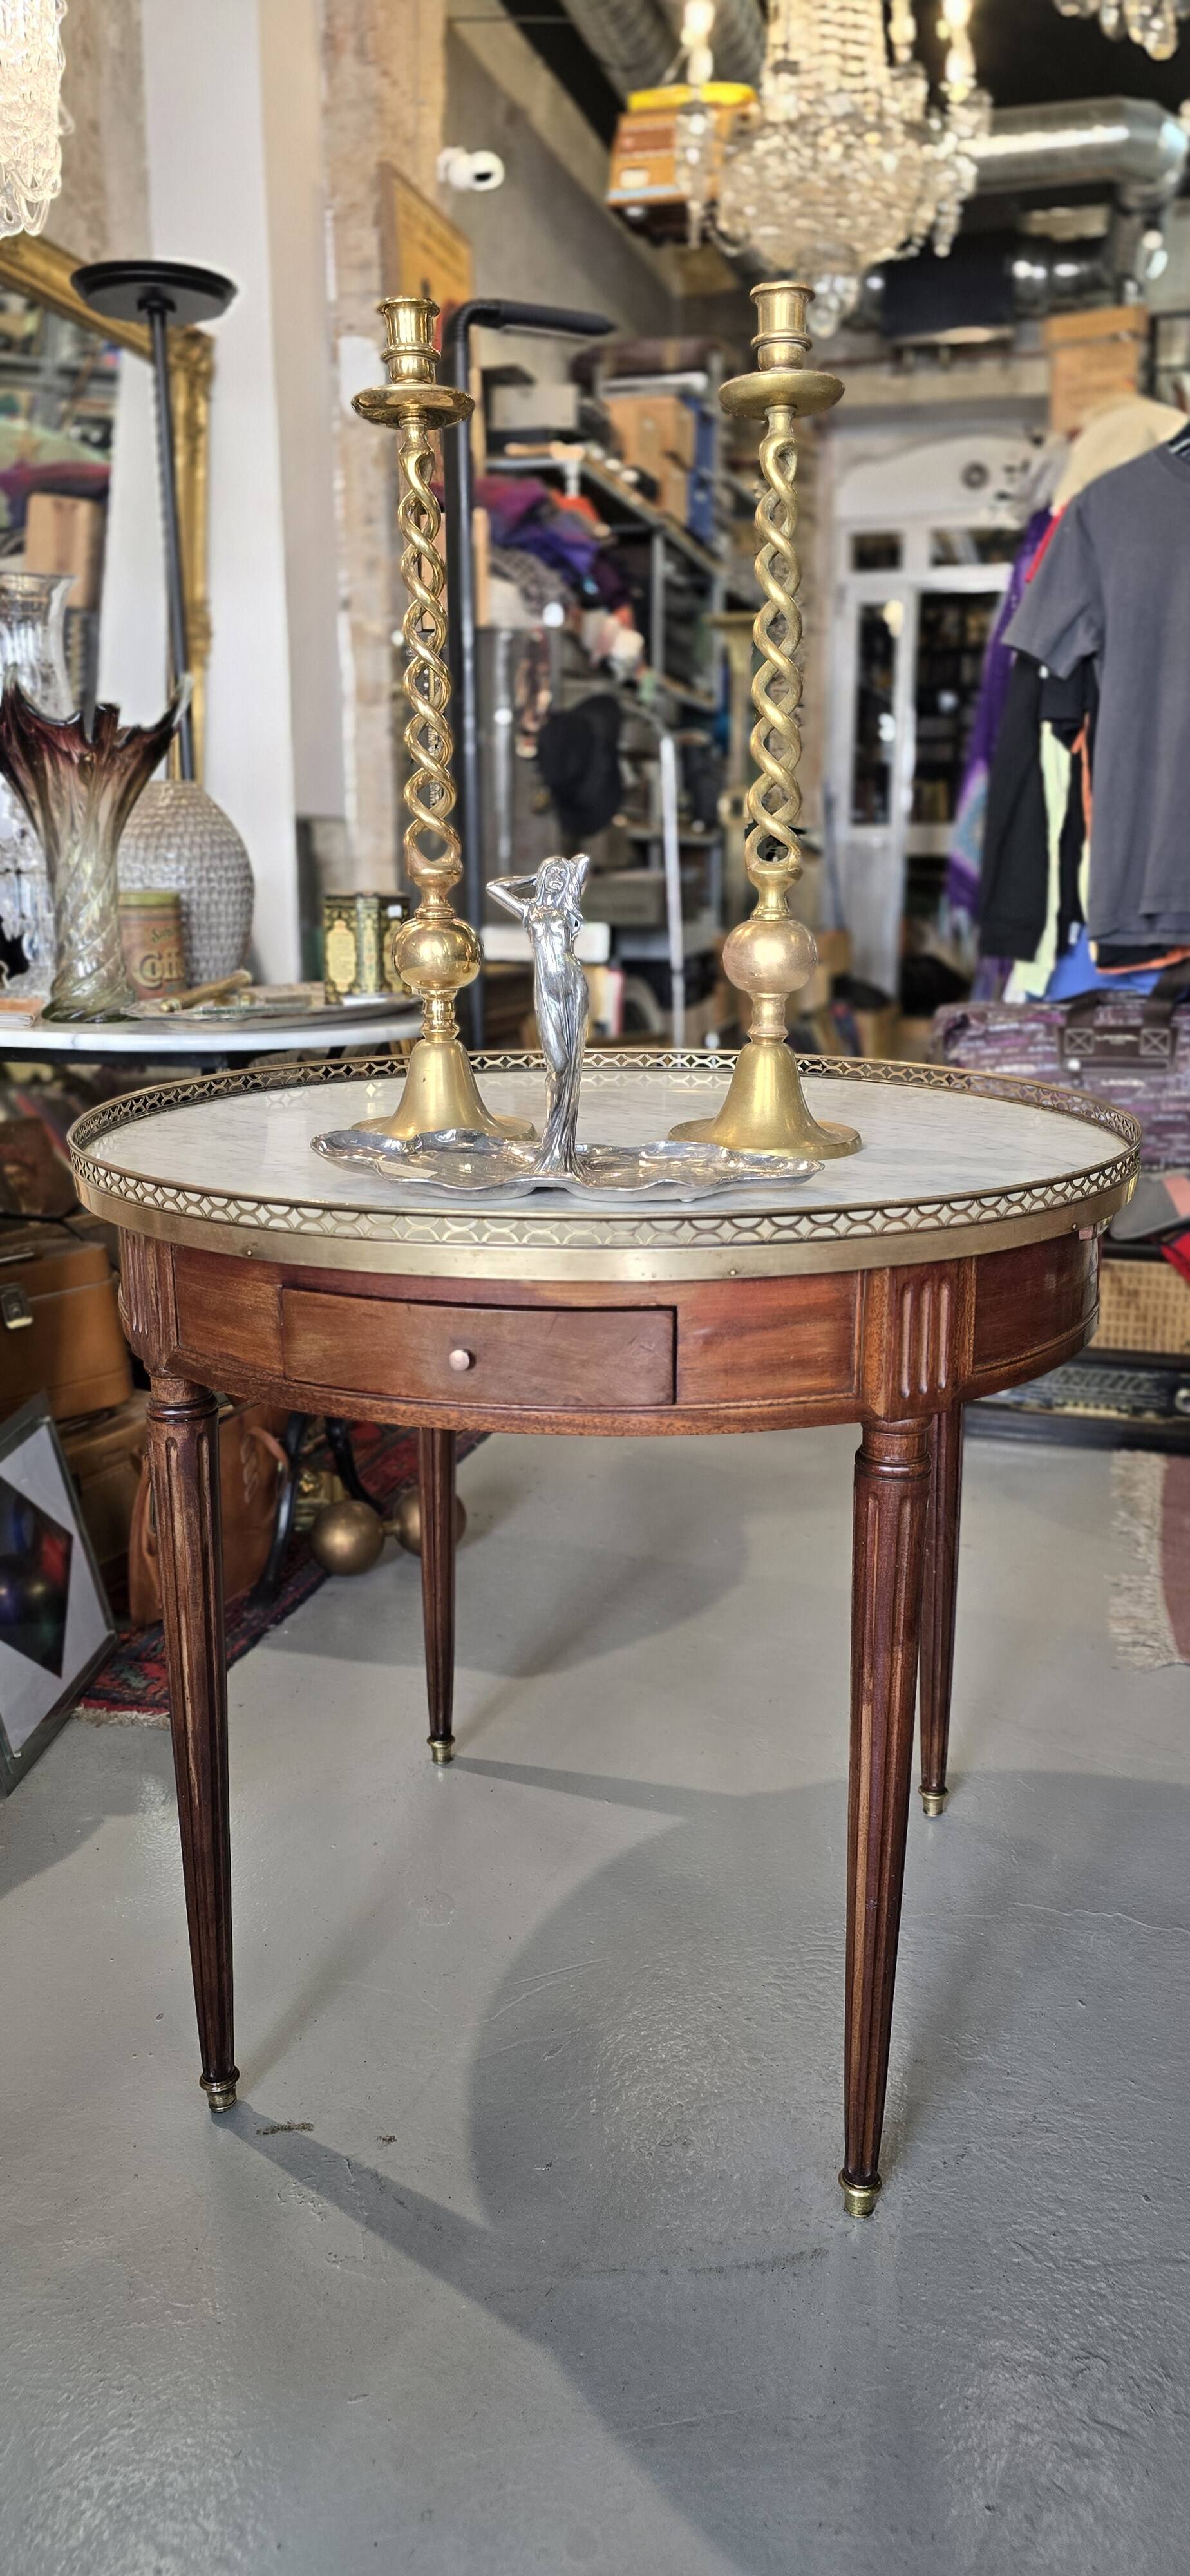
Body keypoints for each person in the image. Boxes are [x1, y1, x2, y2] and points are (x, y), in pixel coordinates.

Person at [489, 855, 590, 1175]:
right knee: (557, 1064)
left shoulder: (568, 907)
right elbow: (495, 887)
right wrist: (533, 879)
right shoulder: (529, 910)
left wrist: (563, 873)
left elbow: (584, 861)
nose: (560, 879)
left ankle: (563, 1146)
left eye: (563, 875)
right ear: (543, 877)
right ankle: (554, 1141)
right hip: (545, 987)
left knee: (570, 1067)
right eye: (553, 874)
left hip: (572, 983)